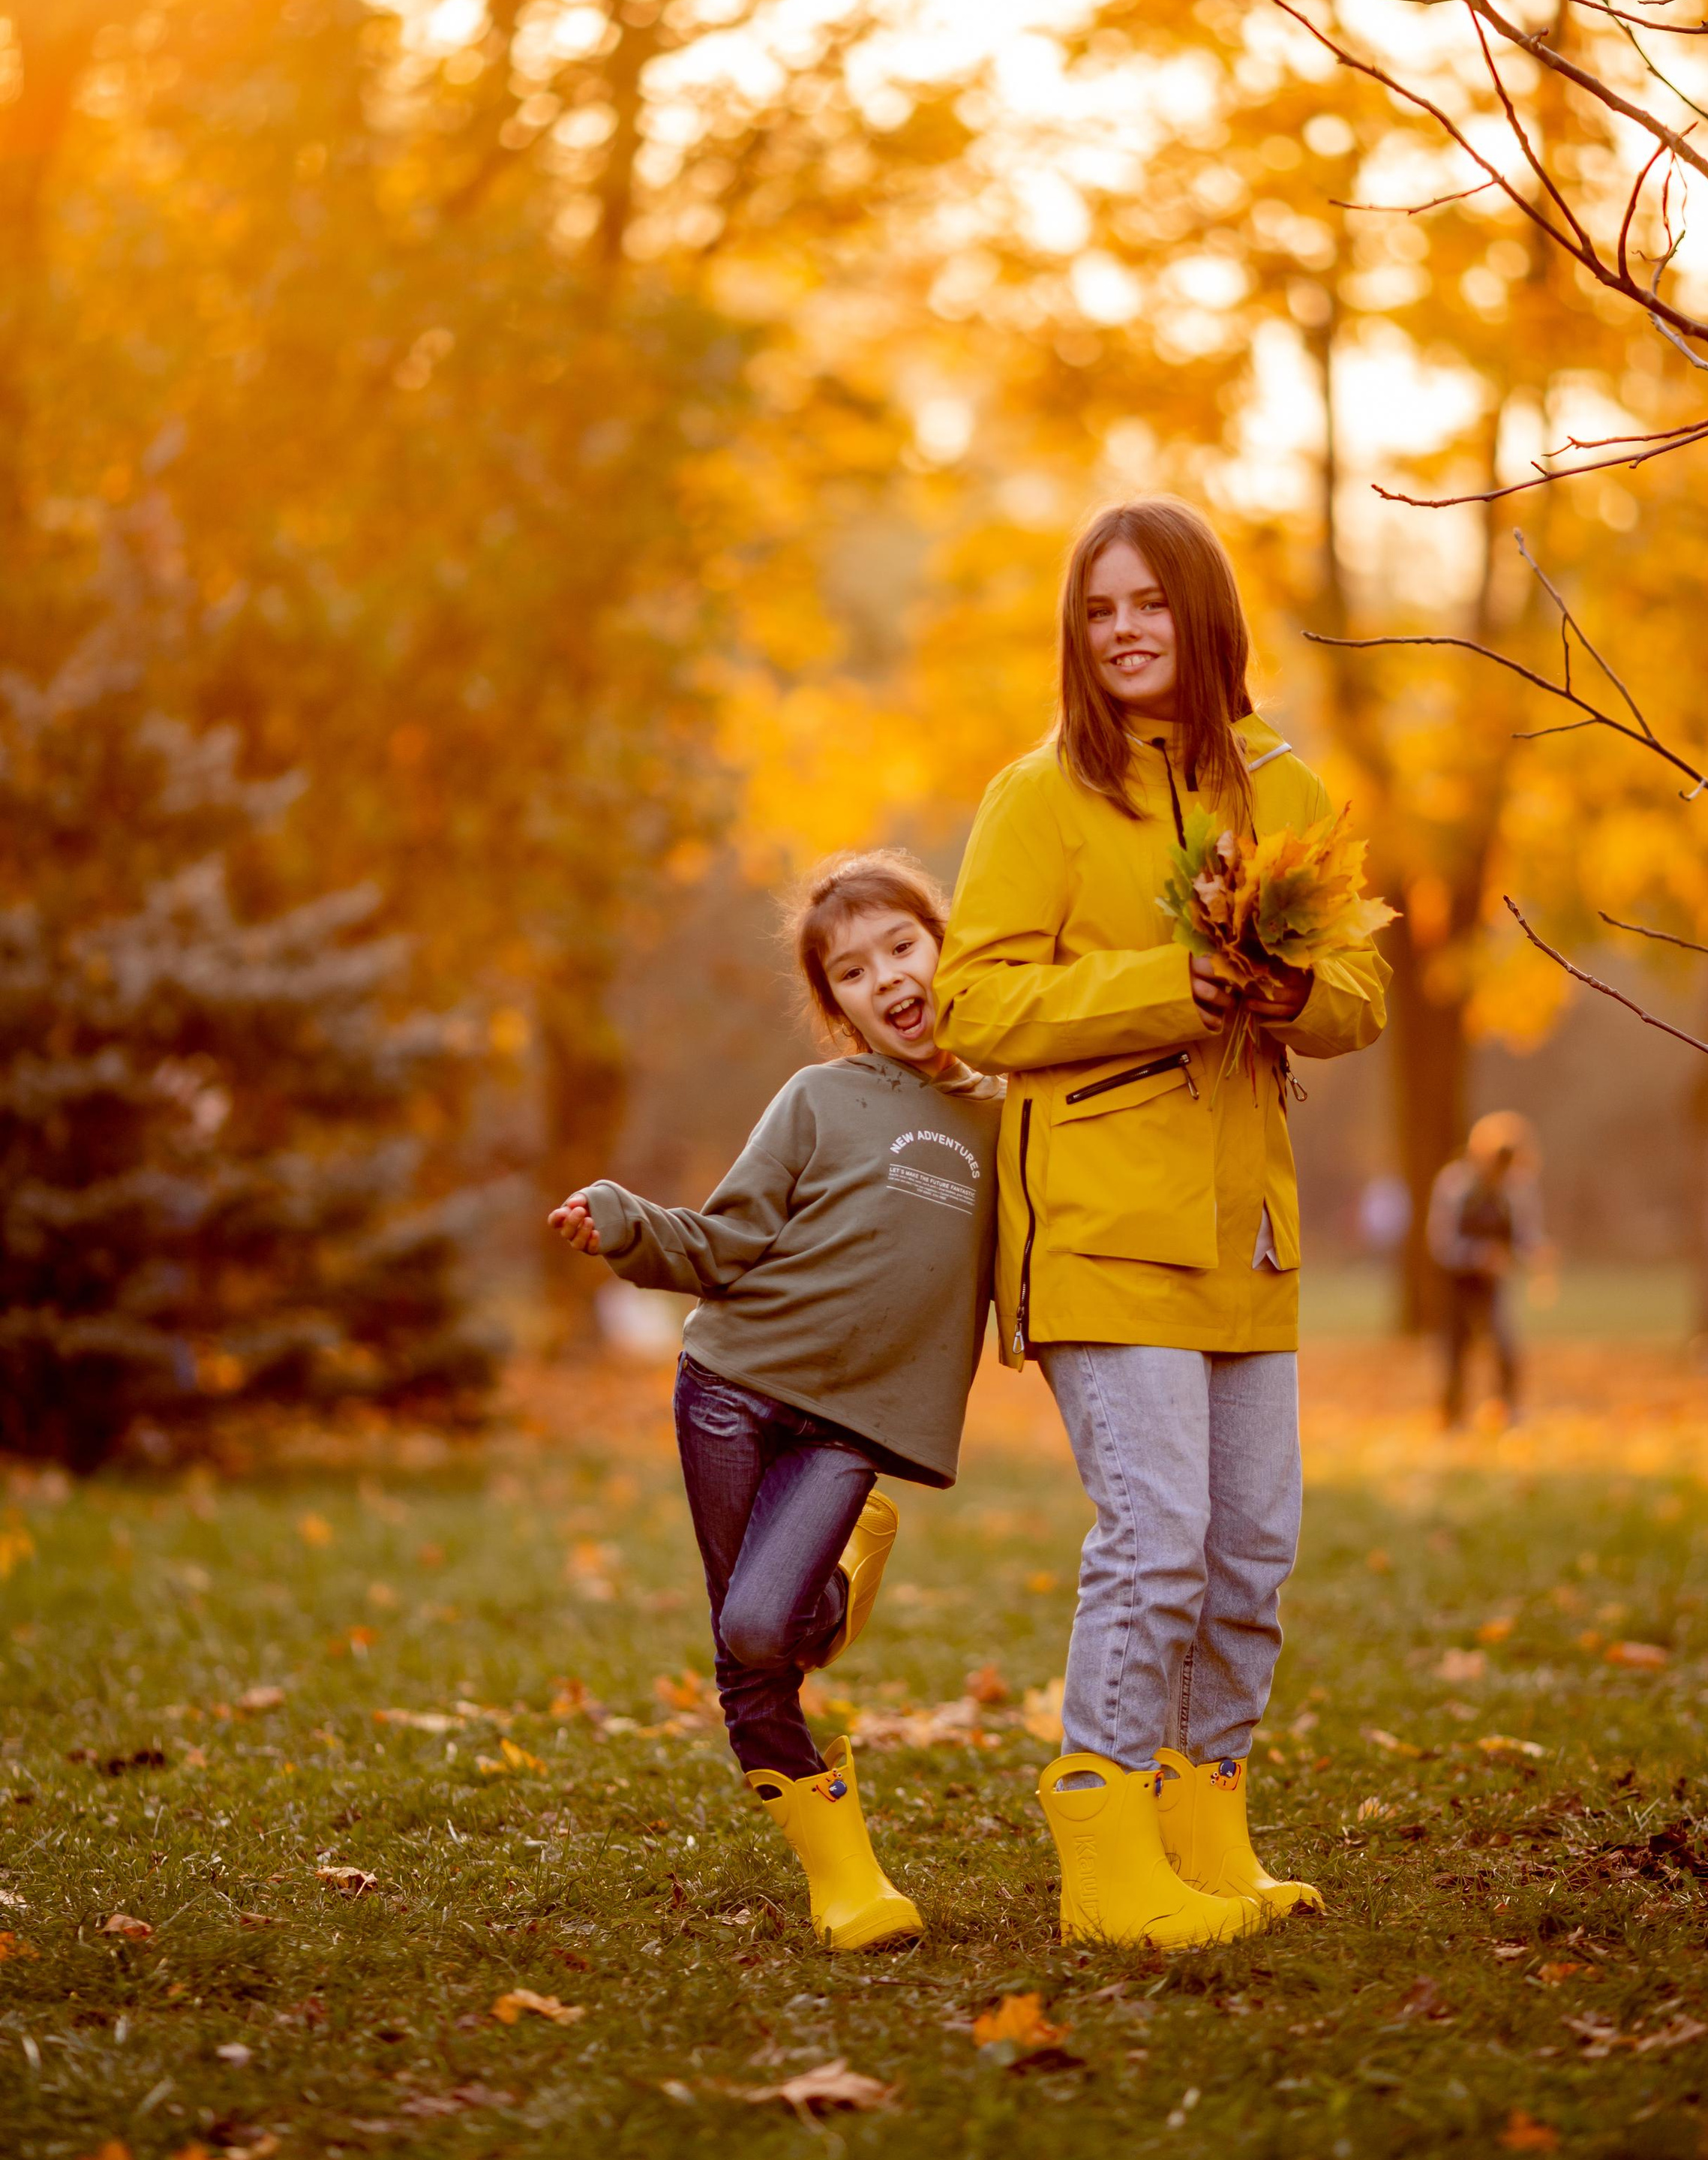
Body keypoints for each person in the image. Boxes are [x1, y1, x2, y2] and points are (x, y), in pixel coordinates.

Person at [934, 498, 1389, 1948]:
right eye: (1097, 609)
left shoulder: (1286, 782)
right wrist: (1158, 987)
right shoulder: (1038, 795)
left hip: (1247, 1231)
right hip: (1102, 1223)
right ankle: (1105, 1840)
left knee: (1253, 1546)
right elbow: (971, 1003)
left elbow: (1365, 1001)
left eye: (1149, 604)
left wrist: (1286, 994)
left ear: (1205, 618)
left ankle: (1204, 1826)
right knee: (1160, 1536)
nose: (1124, 631)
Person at [548, 851, 1002, 1952]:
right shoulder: (818, 1099)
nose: (886, 977)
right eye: (851, 971)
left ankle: (835, 1574)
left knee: (765, 1620)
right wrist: (624, 1217)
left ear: (945, 945)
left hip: (856, 1426)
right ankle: (846, 1885)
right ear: (835, 1004)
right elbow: (727, 1238)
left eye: (901, 946)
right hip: (731, 1389)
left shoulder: (1014, 1113)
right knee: (746, 1658)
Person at [1425, 1111, 1545, 1427]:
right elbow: (1440, 1242)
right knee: (1456, 1348)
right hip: (1458, 1279)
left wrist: (1535, 1254)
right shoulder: (1454, 1185)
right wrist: (1479, 1255)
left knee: (1505, 1344)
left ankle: (1510, 1410)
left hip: (1495, 1281)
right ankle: (1452, 1416)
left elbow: (1524, 1235)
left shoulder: (1516, 1187)